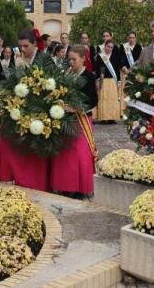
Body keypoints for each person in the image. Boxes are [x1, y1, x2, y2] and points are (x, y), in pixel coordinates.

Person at [0, 29, 54, 191]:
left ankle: (35, 181)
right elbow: (10, 82)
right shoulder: (17, 58)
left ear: (35, 44)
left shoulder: (45, 58)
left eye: (26, 46)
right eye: (20, 46)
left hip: (39, 108)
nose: (22, 50)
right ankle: (12, 175)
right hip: (20, 107)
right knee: (4, 138)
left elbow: (52, 82)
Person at [51, 45, 99, 196]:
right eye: (69, 59)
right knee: (66, 154)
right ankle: (65, 185)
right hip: (66, 119)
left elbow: (93, 101)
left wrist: (76, 108)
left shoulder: (89, 77)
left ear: (83, 59)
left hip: (82, 119)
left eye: (74, 59)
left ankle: (80, 188)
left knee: (80, 154)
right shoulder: (67, 75)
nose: (71, 62)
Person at [95, 39, 122, 123]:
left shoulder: (115, 56)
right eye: (108, 46)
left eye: (111, 47)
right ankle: (103, 118)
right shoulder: (100, 56)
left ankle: (111, 118)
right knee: (103, 99)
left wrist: (119, 81)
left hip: (113, 81)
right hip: (103, 80)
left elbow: (117, 70)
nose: (109, 49)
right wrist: (98, 80)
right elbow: (97, 69)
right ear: (105, 46)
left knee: (112, 100)